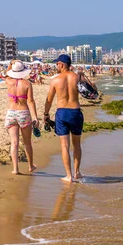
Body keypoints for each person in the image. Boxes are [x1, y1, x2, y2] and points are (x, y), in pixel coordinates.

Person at [44, 54, 84, 183]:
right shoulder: (77, 77)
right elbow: (90, 91)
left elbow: (49, 100)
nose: (56, 66)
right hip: (75, 112)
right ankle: (77, 172)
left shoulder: (55, 80)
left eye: (57, 64)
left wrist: (46, 114)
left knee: (64, 145)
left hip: (62, 112)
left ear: (61, 64)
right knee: (77, 144)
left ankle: (69, 175)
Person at [5, 61, 38, 174]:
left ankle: (15, 169)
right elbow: (31, 101)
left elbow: (6, 73)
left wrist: (11, 63)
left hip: (11, 113)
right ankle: (30, 166)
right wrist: (35, 117)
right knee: (27, 142)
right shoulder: (27, 84)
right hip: (23, 112)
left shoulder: (8, 81)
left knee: (14, 142)